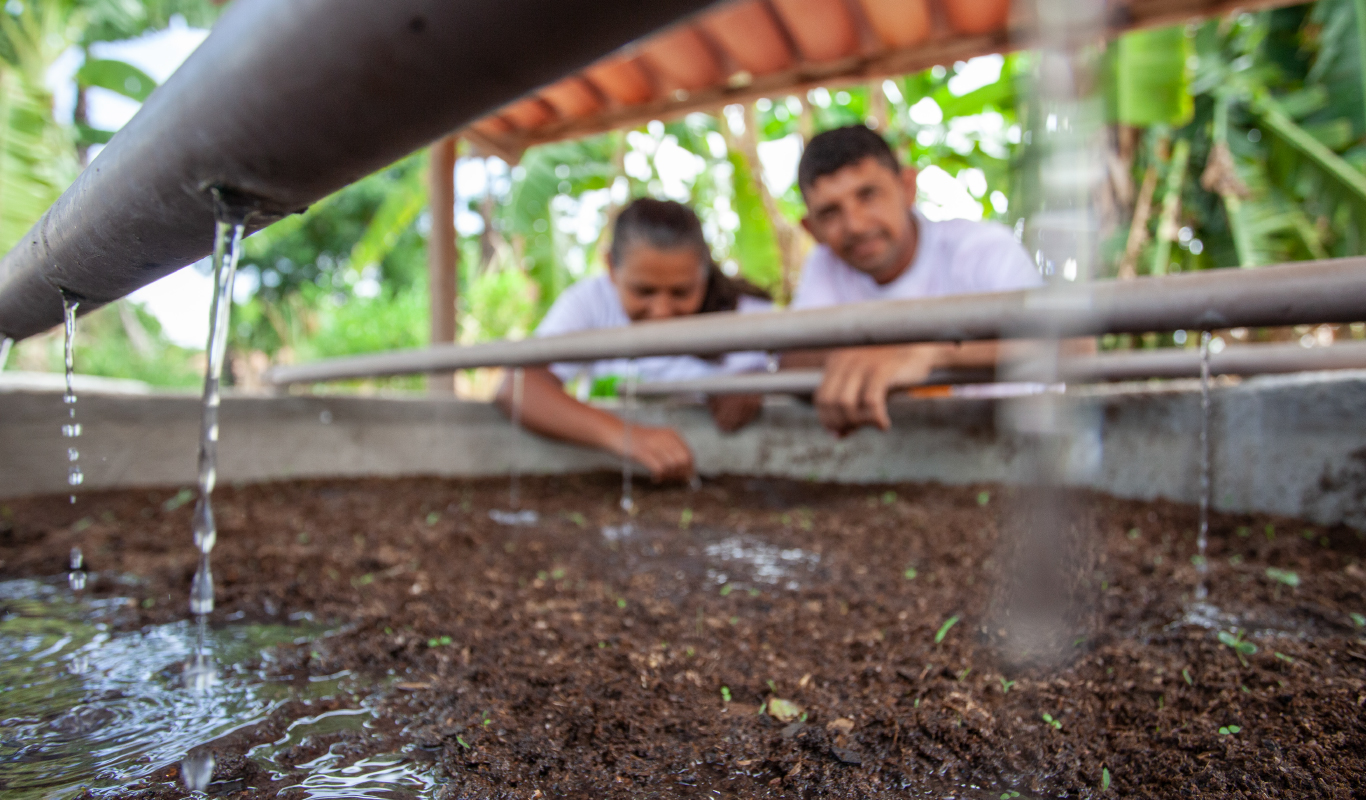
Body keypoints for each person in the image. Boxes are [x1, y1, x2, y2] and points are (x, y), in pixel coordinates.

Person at [784, 124, 1050, 437]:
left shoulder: (982, 249)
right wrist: (862, 356)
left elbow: (1072, 343)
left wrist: (929, 352)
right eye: (830, 213)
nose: (854, 225)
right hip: (901, 448)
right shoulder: (824, 265)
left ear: (907, 187)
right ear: (811, 229)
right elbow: (793, 360)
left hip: (1013, 440)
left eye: (868, 195)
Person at [495, 198, 772, 482]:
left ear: (703, 272)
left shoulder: (744, 315)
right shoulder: (591, 302)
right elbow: (516, 387)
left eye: (681, 293)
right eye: (644, 291)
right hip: (608, 472)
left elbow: (774, 381)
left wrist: (750, 387)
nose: (662, 311)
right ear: (611, 268)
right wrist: (627, 437)